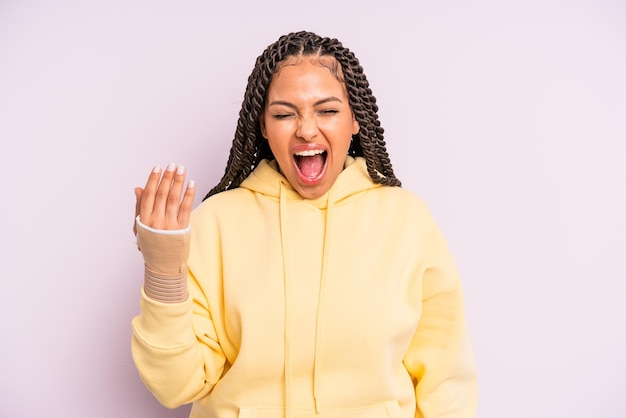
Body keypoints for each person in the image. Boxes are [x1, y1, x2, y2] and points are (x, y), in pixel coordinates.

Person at [131, 31, 478, 418]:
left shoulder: (406, 220)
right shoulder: (215, 223)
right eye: (284, 114)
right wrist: (163, 269)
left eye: (327, 110)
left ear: (355, 120)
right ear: (263, 126)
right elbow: (174, 385)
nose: (306, 130)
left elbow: (447, 380)